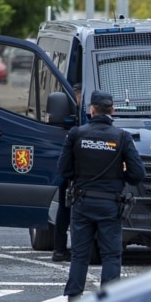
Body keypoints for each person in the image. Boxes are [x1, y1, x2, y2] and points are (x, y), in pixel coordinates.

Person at [57, 90, 146, 301]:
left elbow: (63, 171)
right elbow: (138, 174)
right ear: (112, 110)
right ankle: (109, 299)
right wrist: (119, 175)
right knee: (111, 255)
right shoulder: (122, 137)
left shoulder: (77, 134)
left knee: (79, 254)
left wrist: (79, 175)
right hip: (110, 203)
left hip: (82, 201)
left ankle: (74, 297)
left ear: (92, 110)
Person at [52, 84, 83, 262]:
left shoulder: (81, 110)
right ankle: (60, 249)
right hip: (72, 170)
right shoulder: (73, 110)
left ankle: (61, 248)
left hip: (77, 168)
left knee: (67, 210)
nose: (78, 98)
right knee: (65, 210)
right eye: (77, 95)